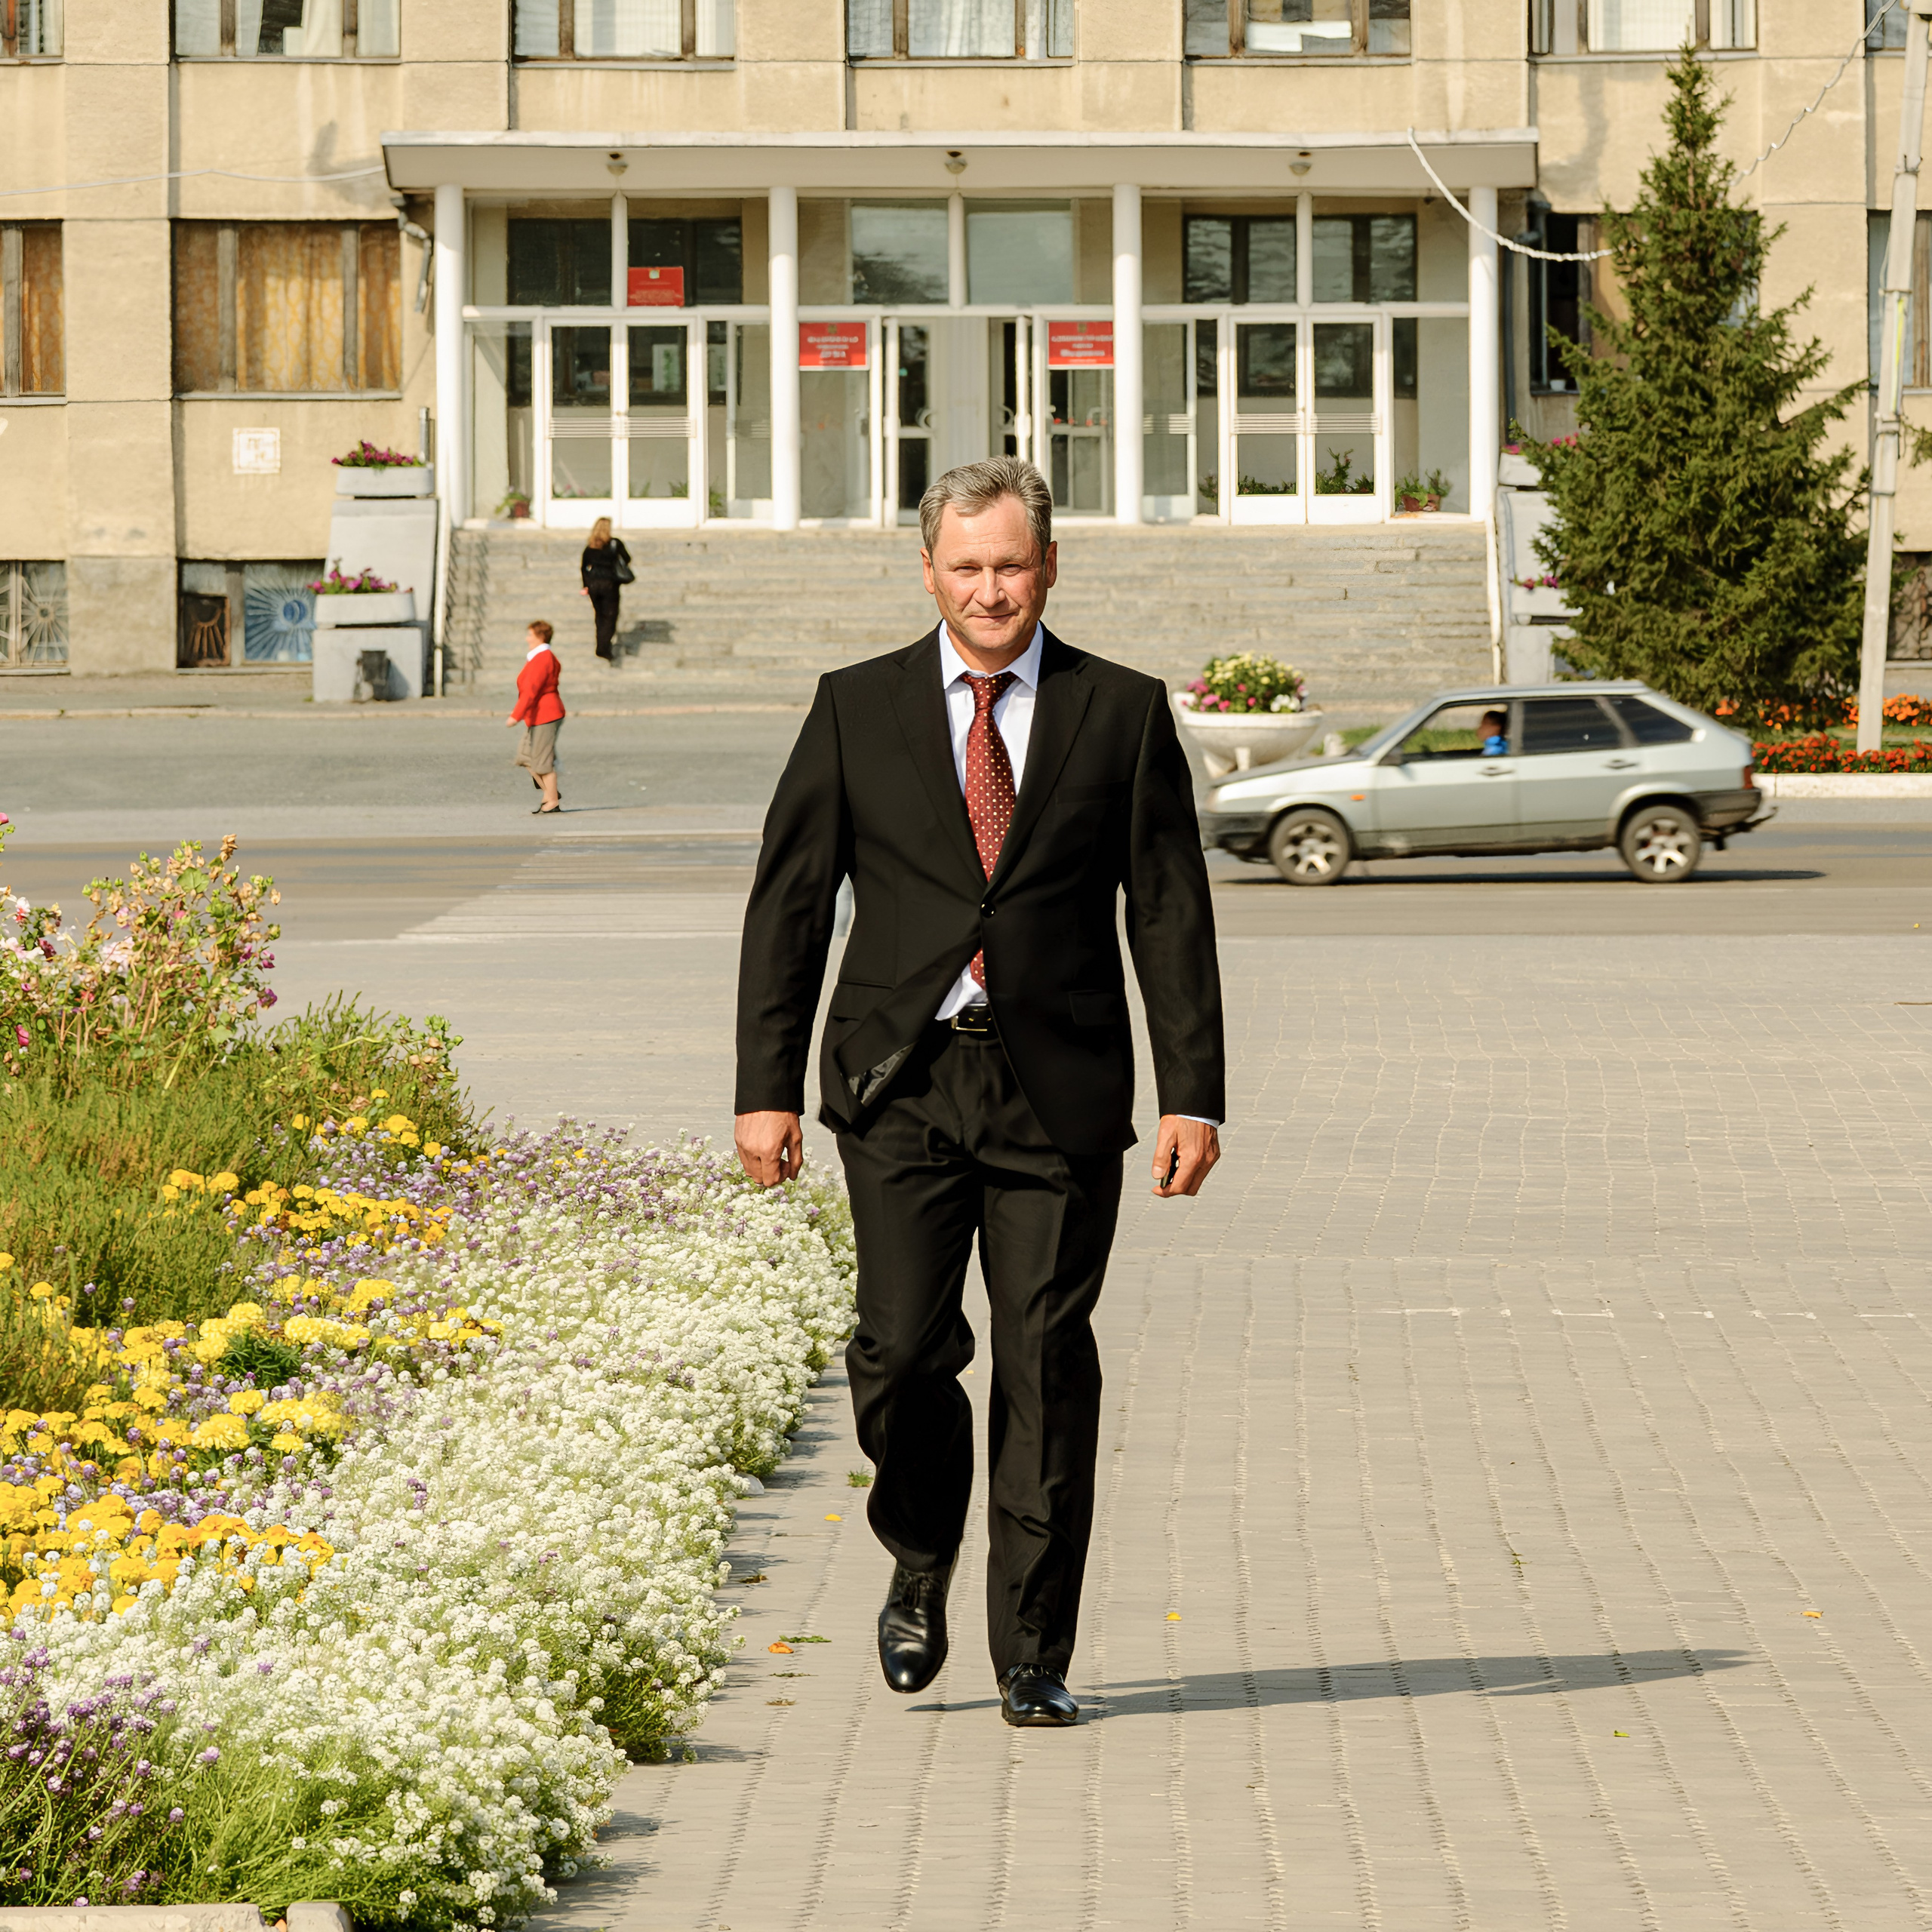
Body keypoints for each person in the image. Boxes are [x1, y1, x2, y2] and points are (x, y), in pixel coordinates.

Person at [734, 457, 1226, 1730]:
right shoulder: (857, 708)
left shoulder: (1117, 711)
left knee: (1045, 1362)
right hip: (898, 1083)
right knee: (899, 1352)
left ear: (1048, 567)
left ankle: (1031, 1654)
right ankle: (920, 1547)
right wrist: (764, 1087)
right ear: (930, 571)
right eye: (969, 567)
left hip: (1058, 1095)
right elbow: (791, 904)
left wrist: (1194, 1093)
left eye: (1012, 564)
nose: (992, 588)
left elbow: (1168, 911)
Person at [507, 619, 565, 814]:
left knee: (541, 760)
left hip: (546, 714)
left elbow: (532, 690)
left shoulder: (543, 658)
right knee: (526, 756)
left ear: (540, 637)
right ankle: (550, 793)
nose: (527, 638)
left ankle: (552, 800)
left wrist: (516, 716)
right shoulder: (539, 657)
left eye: (530, 635)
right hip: (538, 714)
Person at [580, 516, 632, 663]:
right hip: (610, 584)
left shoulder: (590, 547)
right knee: (611, 615)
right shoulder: (614, 544)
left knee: (600, 615)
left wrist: (586, 584)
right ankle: (603, 646)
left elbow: (584, 567)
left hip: (594, 586)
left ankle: (601, 643)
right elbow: (627, 558)